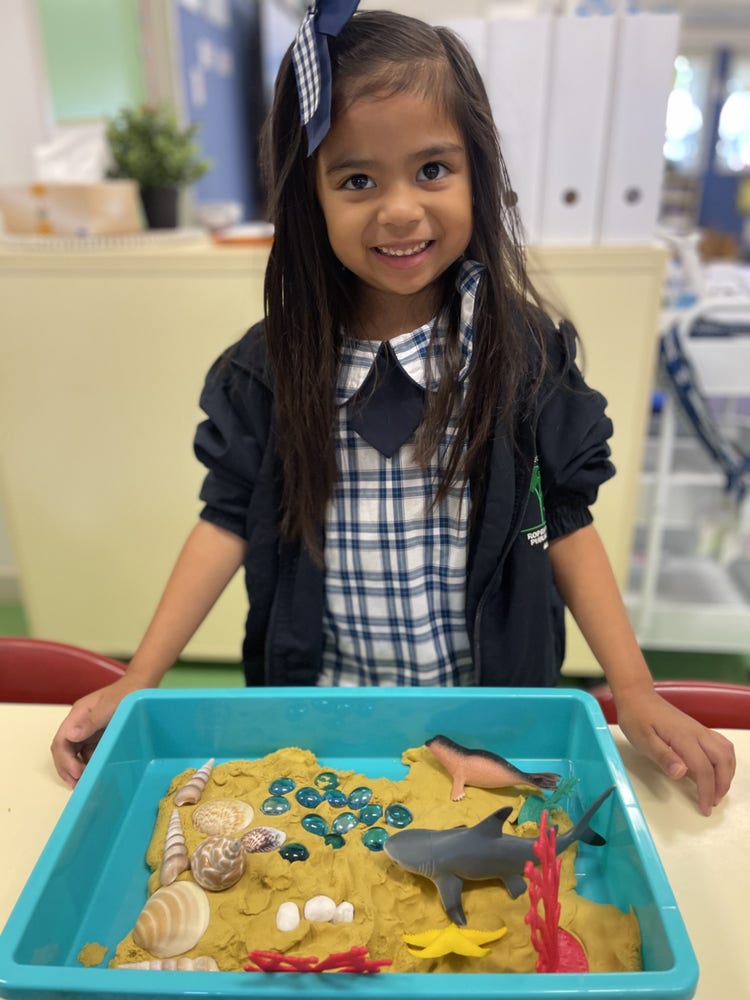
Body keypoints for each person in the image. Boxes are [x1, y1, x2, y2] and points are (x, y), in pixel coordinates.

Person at [50, 5, 735, 814]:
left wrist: (636, 689)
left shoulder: (522, 355)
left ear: (479, 170)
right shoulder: (265, 371)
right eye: (357, 180)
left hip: (486, 727)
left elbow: (566, 522)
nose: (401, 209)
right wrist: (141, 675)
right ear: (309, 197)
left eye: (433, 169)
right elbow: (226, 519)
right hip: (319, 725)